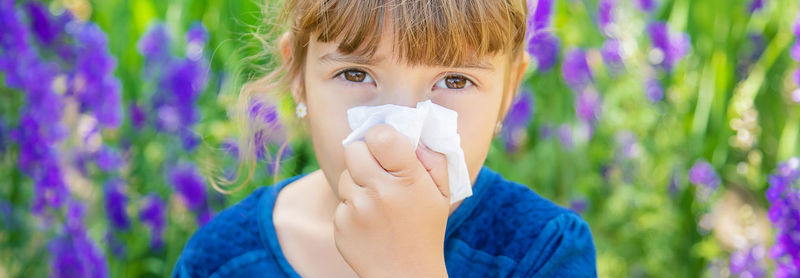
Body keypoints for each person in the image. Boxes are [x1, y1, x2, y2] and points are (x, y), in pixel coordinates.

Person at [173, 0, 596, 277]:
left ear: (508, 93)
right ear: (300, 79)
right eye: (355, 74)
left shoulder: (544, 251)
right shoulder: (218, 262)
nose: (399, 132)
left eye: (454, 79)